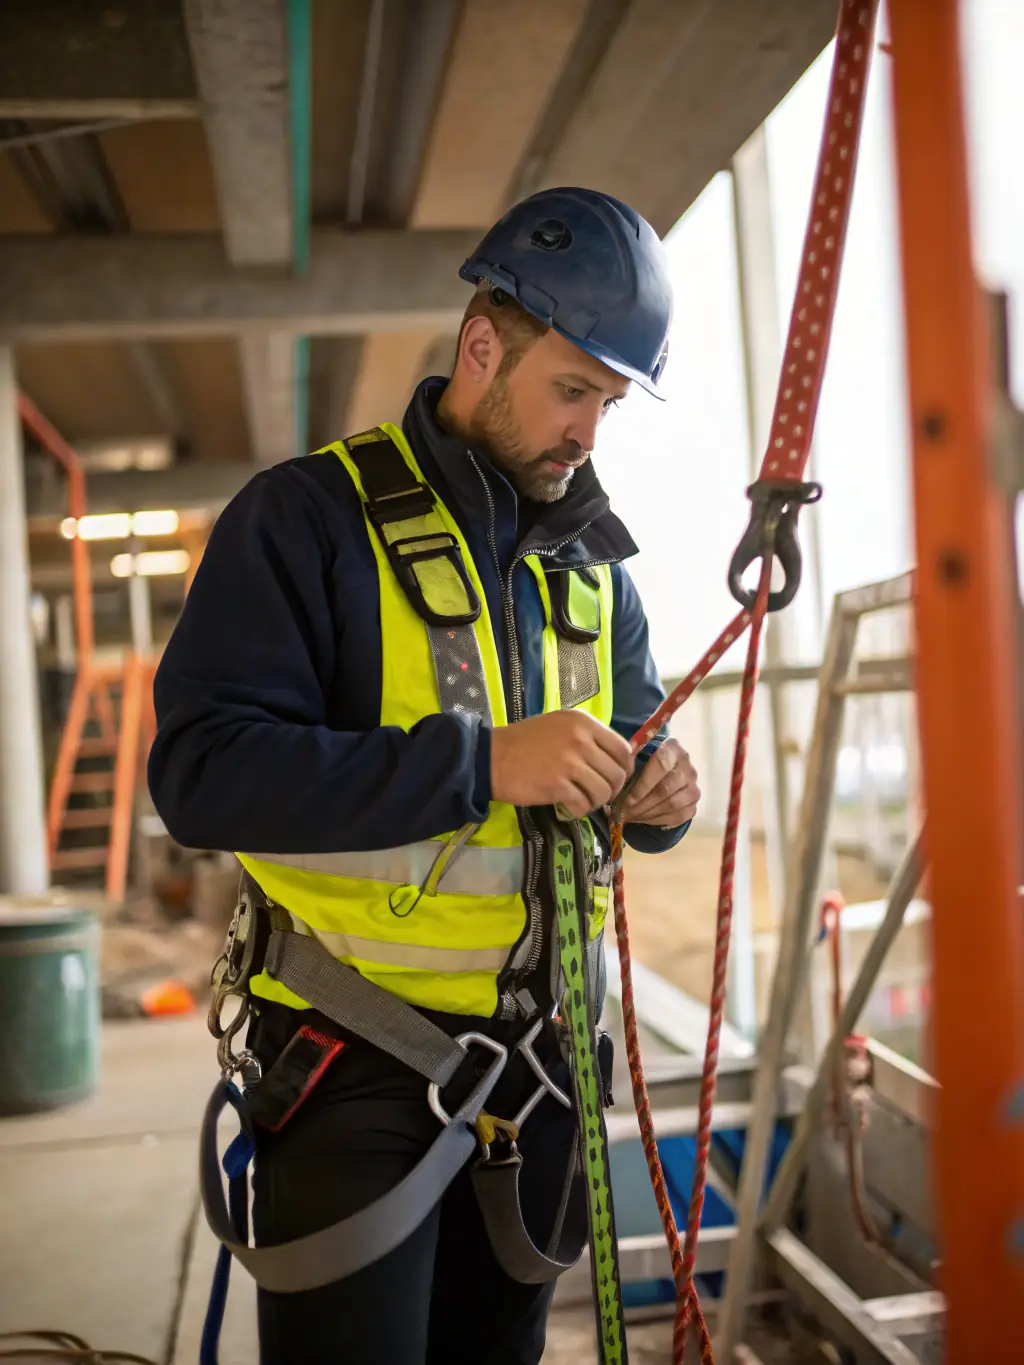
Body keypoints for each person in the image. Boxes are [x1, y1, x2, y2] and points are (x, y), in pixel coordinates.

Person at [148, 186, 701, 1365]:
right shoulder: (306, 522)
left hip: (545, 1073)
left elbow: (635, 744)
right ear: (483, 346)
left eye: (607, 404)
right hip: (355, 1068)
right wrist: (487, 764)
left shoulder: (599, 573)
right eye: (570, 390)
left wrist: (656, 797)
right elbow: (201, 773)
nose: (586, 433)